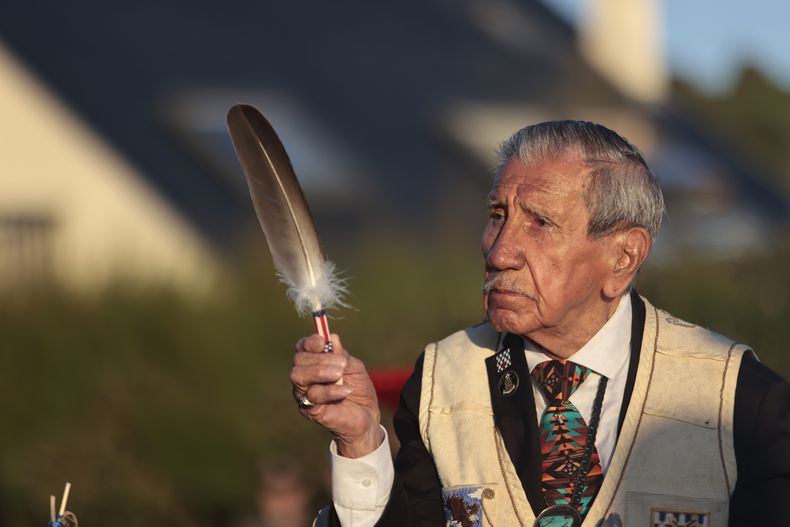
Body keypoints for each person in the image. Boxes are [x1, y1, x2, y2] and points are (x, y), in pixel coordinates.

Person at [289, 121, 790, 526]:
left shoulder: (741, 401)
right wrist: (360, 444)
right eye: (497, 214)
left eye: (540, 223)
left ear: (623, 257)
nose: (500, 250)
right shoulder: (441, 382)